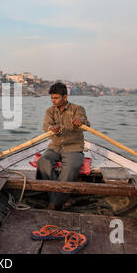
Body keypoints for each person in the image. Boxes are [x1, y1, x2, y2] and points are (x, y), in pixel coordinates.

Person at [37, 82, 90, 210]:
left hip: (73, 147)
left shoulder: (77, 109)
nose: (53, 101)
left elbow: (85, 123)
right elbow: (46, 126)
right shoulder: (50, 111)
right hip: (55, 147)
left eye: (56, 98)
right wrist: (52, 128)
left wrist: (80, 122)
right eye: (52, 98)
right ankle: (64, 198)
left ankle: (53, 204)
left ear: (65, 97)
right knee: (43, 162)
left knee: (71, 167)